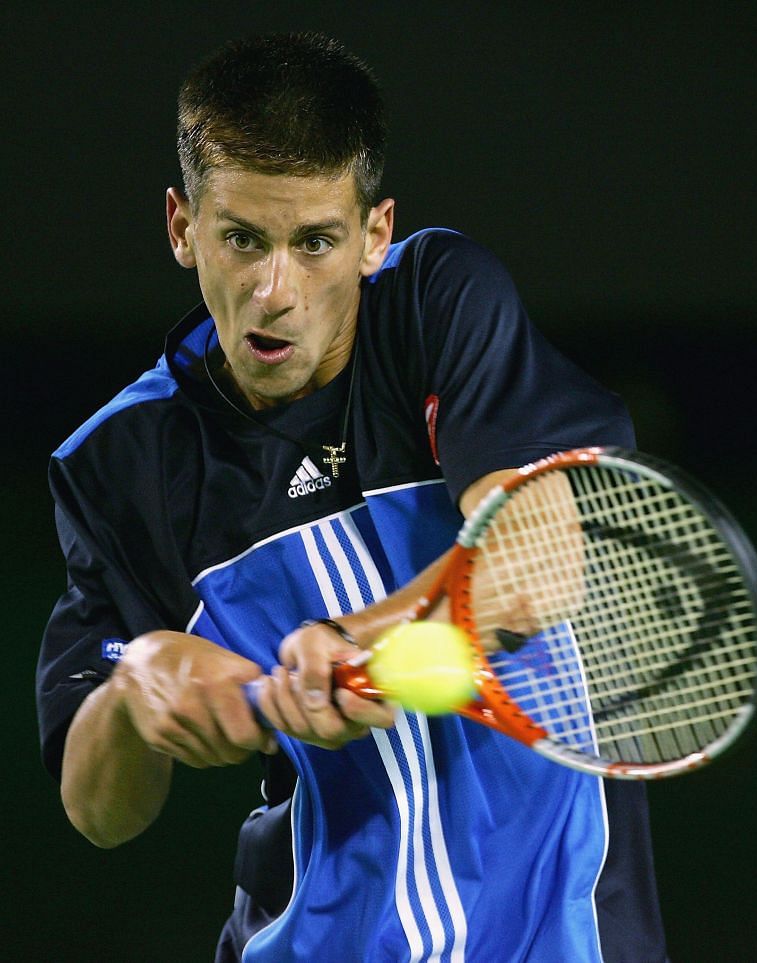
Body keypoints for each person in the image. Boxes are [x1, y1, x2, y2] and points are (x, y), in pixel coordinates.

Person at [36, 32, 668, 962]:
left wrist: (351, 644)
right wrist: (137, 691)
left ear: (375, 233)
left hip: (562, 932)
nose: (275, 291)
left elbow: (533, 565)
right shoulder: (121, 461)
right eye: (241, 239)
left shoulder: (434, 304)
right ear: (182, 227)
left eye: (316, 242)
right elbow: (98, 812)